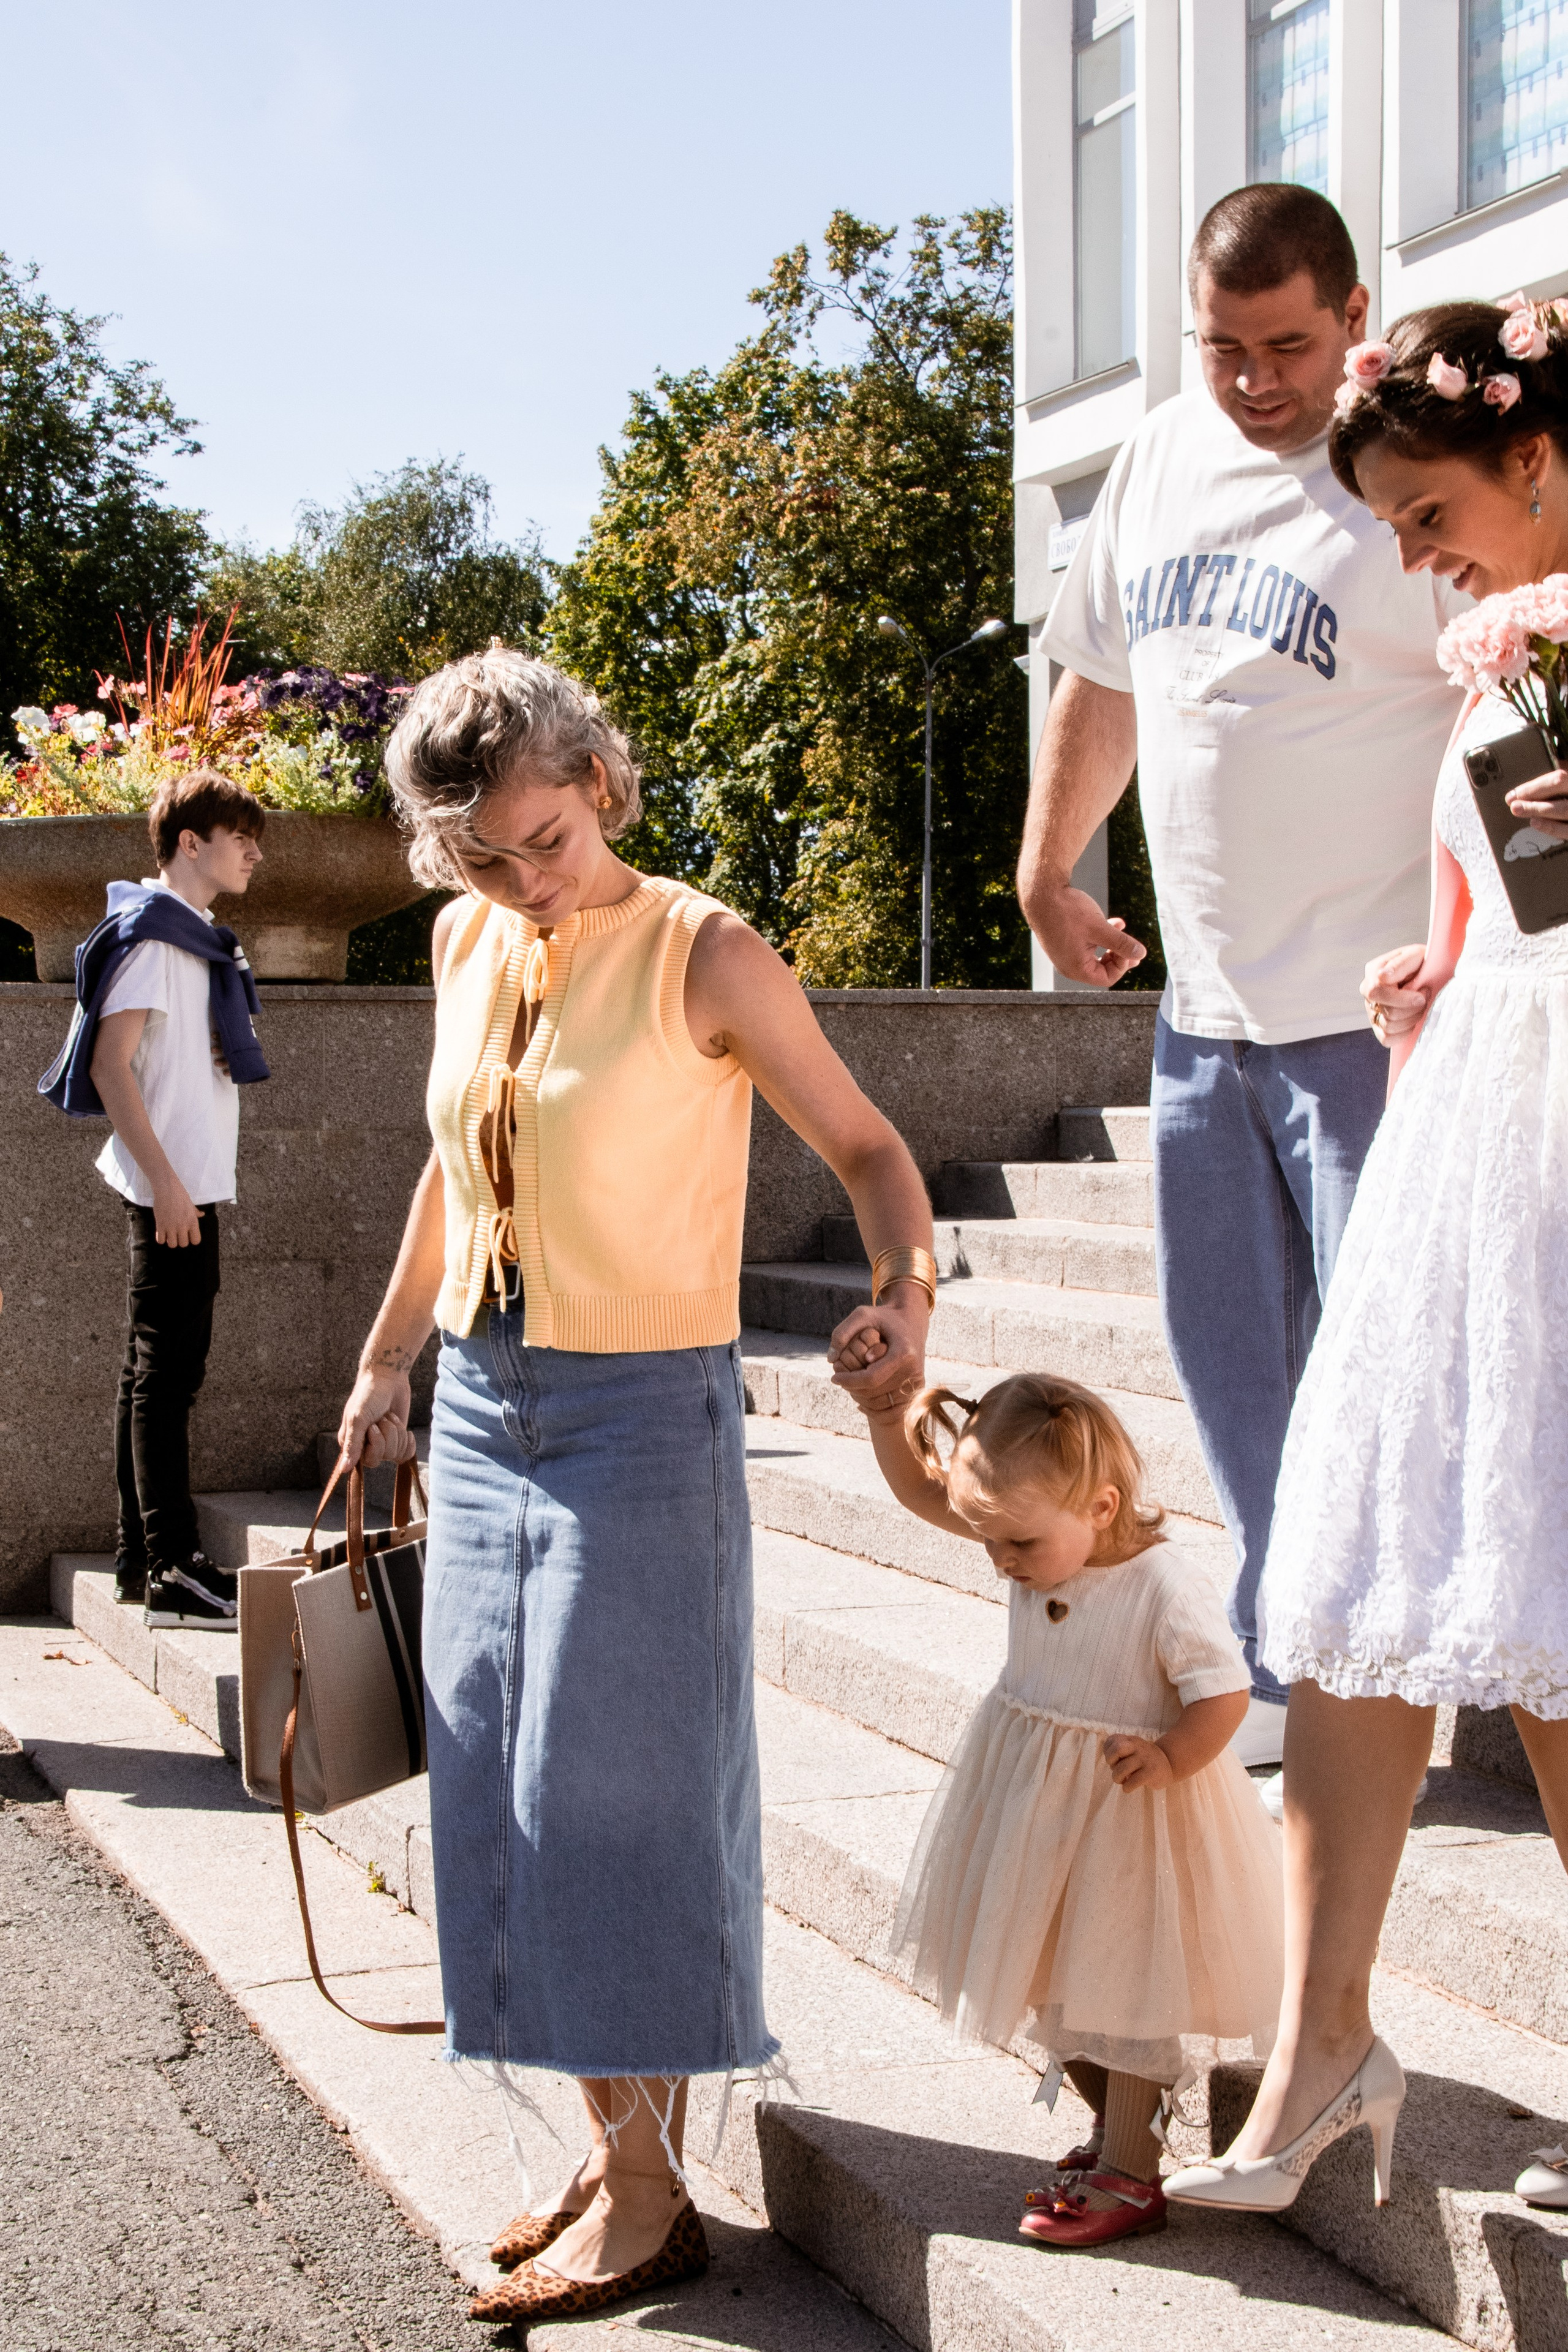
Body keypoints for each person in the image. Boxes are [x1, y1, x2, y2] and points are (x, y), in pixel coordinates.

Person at [334, 648, 935, 2329]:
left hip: (642, 1415)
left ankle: (659, 2192)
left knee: (618, 1793)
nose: (525, 878)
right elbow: (454, 1176)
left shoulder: (706, 949)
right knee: (499, 1790)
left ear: (599, 776)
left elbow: (875, 1150)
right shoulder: (465, 941)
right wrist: (388, 1362)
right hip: (479, 1403)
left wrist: (908, 1294)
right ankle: (614, 2149)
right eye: (481, 854)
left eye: (544, 835)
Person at [1164, 299, 1568, 2222]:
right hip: (1477, 1137)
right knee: (1359, 1573)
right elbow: (1494, 904)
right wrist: (1437, 965)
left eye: (1428, 515)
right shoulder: (1493, 666)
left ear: (1540, 462)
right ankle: (1326, 2047)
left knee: (1546, 1592)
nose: (1416, 559)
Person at [1018, 184, 1467, 1773]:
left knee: (1393, 1366)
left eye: (1288, 344)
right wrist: (1048, 866)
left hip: (1376, 1018)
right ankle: (1298, 1667)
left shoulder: (1411, 476)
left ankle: (1411, 1654)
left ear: (1356, 312)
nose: (1256, 380)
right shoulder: (1155, 457)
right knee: (1232, 1367)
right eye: (1223, 347)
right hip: (1206, 1018)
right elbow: (1100, 673)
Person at [830, 1350, 1282, 2250]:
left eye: (1017, 1544)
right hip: (1038, 1814)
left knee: (1125, 1987)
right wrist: (887, 1415)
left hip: (1133, 1818)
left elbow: (1225, 1691)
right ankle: (1124, 2132)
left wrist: (1171, 1756)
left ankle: (1133, 2167)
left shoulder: (1159, 1583)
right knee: (1046, 1977)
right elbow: (927, 1497)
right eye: (990, 1540)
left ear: (1101, 1507)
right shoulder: (1038, 1535)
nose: (1000, 1562)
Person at [39, 767, 268, 1627]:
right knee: (167, 1380)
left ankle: (143, 1559)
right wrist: (170, 1186)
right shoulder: (153, 937)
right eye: (239, 835)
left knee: (152, 1373)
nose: (254, 852)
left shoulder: (197, 938)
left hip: (189, 1182)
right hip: (173, 1189)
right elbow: (109, 1065)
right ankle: (175, 1568)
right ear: (189, 842)